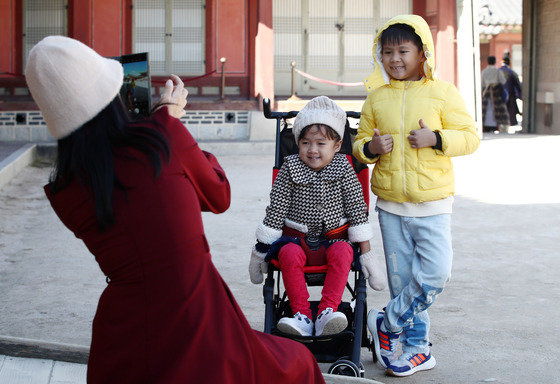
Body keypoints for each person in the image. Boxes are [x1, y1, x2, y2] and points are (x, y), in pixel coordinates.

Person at [25, 36, 325, 384]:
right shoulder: (162, 137)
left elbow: (137, 205)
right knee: (297, 363)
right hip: (197, 315)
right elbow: (217, 196)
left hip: (123, 332)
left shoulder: (63, 191)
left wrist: (159, 129)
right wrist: (171, 123)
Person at [353, 15, 479, 377]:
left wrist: (437, 138)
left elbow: (469, 137)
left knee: (436, 275)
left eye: (403, 50)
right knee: (402, 282)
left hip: (434, 206)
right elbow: (359, 145)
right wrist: (371, 147)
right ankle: (418, 349)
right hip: (391, 207)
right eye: (387, 51)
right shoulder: (376, 97)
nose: (394, 59)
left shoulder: (443, 93)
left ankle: (387, 322)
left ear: (423, 53)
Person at [249, 96, 387, 337]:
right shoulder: (290, 168)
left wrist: (367, 253)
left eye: (321, 143)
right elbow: (276, 210)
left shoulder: (344, 168)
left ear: (337, 146)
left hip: (335, 240)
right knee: (288, 253)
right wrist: (260, 250)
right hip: (296, 241)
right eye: (305, 143)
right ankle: (301, 315)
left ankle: (326, 313)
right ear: (298, 144)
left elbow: (356, 208)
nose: (312, 150)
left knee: (344, 251)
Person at [481, 56, 510, 132]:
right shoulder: (497, 71)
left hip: (487, 92)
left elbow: (482, 83)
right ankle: (496, 125)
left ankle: (486, 125)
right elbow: (503, 81)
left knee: (486, 109)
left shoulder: (484, 71)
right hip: (496, 92)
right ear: (495, 62)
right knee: (498, 109)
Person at [499, 54, 522, 127]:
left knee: (500, 110)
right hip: (510, 94)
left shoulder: (498, 71)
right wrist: (520, 94)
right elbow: (517, 84)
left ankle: (501, 124)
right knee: (510, 111)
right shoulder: (512, 72)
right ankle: (510, 123)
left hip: (499, 94)